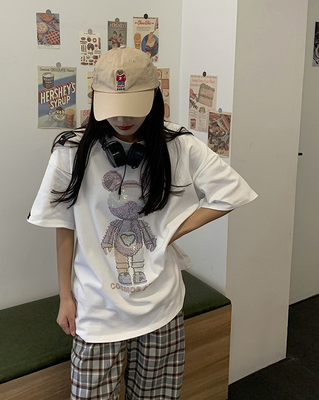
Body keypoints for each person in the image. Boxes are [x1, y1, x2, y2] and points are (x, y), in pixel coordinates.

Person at [28, 45, 257, 400]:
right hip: (97, 312)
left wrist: (170, 231)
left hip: (161, 310)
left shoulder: (178, 145)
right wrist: (65, 297)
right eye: (113, 107)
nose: (123, 118)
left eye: (133, 106)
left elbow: (232, 192)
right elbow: (64, 226)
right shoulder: (71, 152)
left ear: (154, 97)